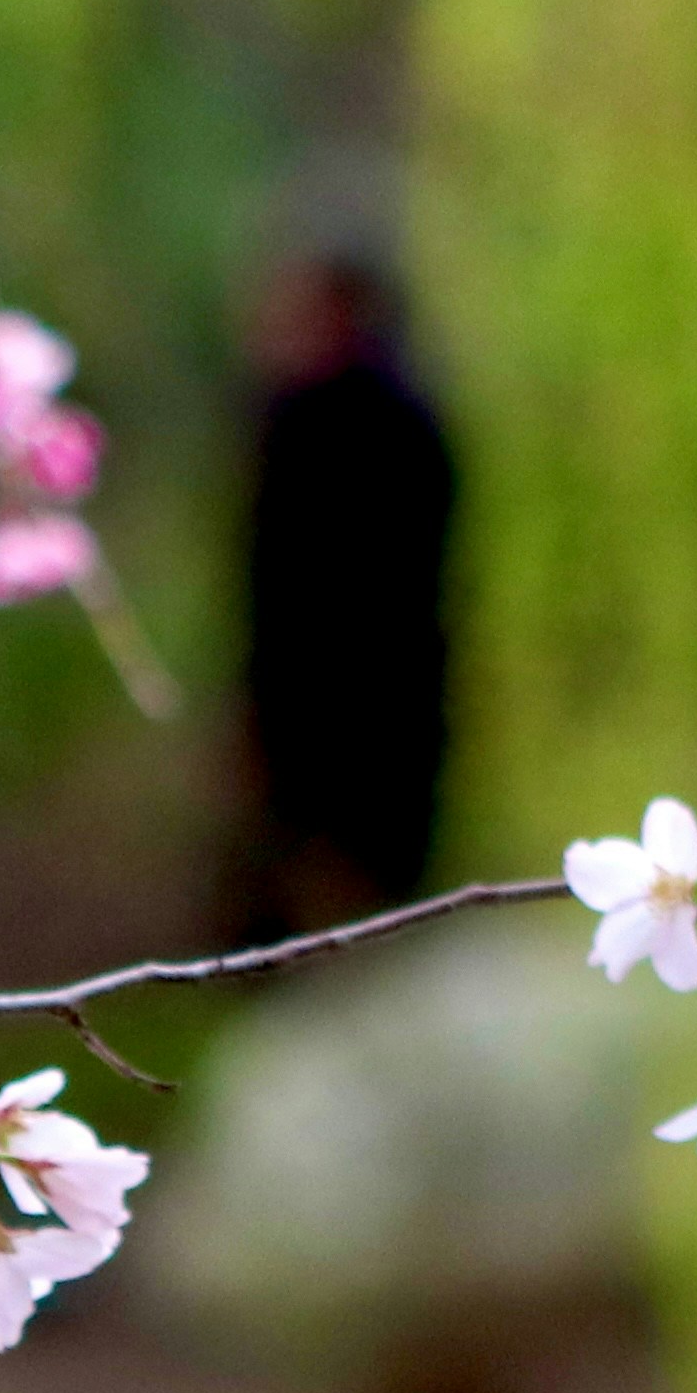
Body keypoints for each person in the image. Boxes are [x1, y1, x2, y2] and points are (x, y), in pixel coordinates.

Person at [235, 253, 457, 941]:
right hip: (369, 676)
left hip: (343, 675)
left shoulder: (308, 416)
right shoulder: (404, 412)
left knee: (342, 832)